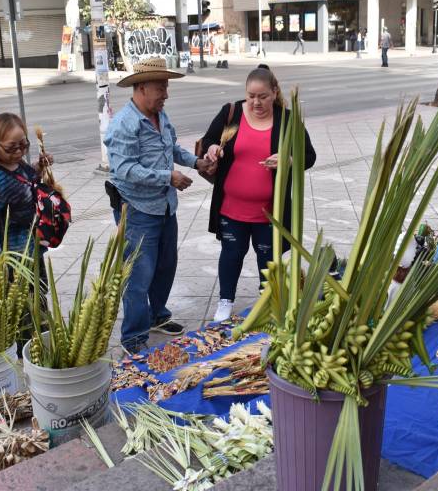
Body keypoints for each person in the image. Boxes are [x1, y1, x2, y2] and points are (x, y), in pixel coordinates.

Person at [106, 57, 215, 354]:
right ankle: (133, 336)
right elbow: (124, 170)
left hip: (165, 207)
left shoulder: (160, 116)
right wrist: (168, 177)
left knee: (165, 266)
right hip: (138, 210)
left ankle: (156, 316)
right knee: (138, 275)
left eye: (166, 87)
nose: (166, 94)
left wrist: (196, 162)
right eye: (161, 88)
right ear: (141, 88)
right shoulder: (124, 124)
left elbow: (172, 148)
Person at [202, 65, 316, 321]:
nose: (256, 102)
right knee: (231, 254)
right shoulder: (230, 113)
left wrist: (288, 159)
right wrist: (211, 150)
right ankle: (225, 300)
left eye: (262, 96)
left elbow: (309, 156)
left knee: (268, 259)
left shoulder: (286, 119)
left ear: (274, 93)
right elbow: (208, 139)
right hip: (231, 208)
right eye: (251, 96)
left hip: (270, 212)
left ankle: (267, 302)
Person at [0, 113, 53, 352]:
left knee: (39, 300)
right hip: (13, 259)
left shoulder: (18, 165)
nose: (19, 151)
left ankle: (43, 347)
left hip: (31, 249)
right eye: (11, 147)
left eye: (23, 144)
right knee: (23, 312)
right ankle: (28, 354)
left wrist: (40, 167)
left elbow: (25, 184)